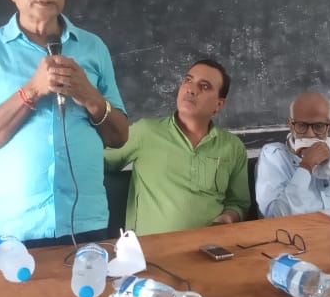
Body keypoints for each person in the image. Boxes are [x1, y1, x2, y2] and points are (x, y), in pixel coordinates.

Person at [0, 0, 128, 254]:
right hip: (6, 231)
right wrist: (31, 90)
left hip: (84, 224)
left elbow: (119, 136)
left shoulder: (93, 48)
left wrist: (89, 96)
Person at [104, 59, 249, 234]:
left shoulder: (232, 147)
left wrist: (228, 217)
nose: (191, 89)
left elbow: (239, 203)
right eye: (188, 80)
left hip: (209, 249)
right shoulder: (146, 132)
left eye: (204, 86)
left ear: (219, 104)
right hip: (151, 252)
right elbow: (97, 163)